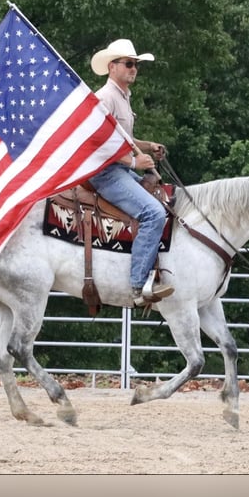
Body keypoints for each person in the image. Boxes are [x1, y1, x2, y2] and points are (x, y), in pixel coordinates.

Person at [88, 39, 174, 307]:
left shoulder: (123, 97)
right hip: (105, 173)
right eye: (128, 63)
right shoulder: (105, 98)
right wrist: (133, 162)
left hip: (119, 170)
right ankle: (138, 287)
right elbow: (95, 142)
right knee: (154, 213)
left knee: (165, 200)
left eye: (136, 64)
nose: (134, 68)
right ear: (112, 67)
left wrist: (148, 147)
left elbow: (125, 139)